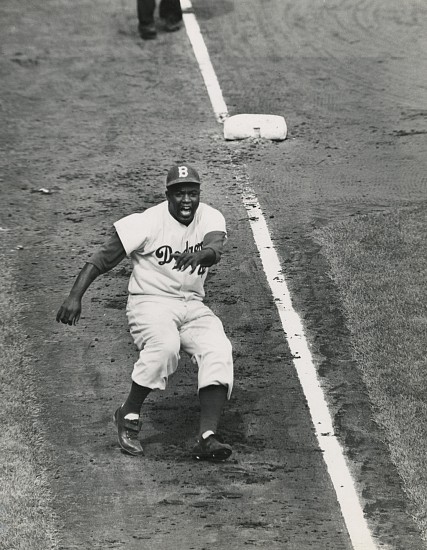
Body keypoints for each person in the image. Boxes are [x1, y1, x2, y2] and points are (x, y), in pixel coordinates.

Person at [56, 164, 233, 461]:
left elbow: (215, 246)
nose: (187, 200)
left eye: (192, 193)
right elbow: (102, 259)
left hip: (192, 304)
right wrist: (75, 297)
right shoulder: (147, 222)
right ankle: (128, 414)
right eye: (179, 194)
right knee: (165, 347)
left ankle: (207, 436)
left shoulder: (211, 216)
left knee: (219, 349)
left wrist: (204, 254)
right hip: (149, 302)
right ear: (168, 195)